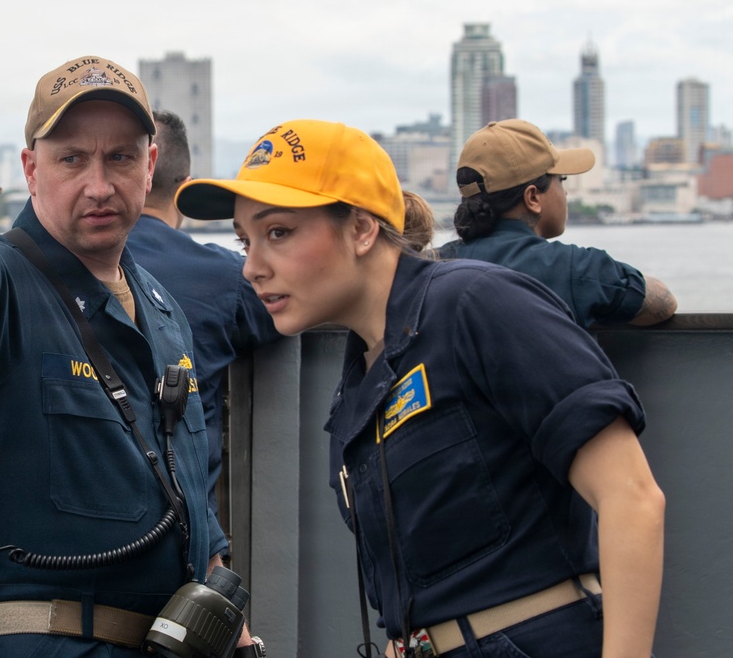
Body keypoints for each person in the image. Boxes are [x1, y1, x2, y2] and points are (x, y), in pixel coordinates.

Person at [175, 119, 666, 657]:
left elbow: (632, 498)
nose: (251, 268)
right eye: (245, 241)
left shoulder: (475, 303)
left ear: (362, 229)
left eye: (278, 233)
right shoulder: (361, 378)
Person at [0, 55, 258, 657]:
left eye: (120, 157)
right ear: (31, 169)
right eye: (72, 159)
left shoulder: (163, 311)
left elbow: (188, 484)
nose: (99, 184)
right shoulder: (4, 289)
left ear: (149, 168)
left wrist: (233, 623)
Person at [126, 110, 281, 520]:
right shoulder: (228, 278)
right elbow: (286, 317)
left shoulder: (61, 266)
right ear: (185, 189)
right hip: (187, 527)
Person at [438, 119, 677, 328]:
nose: (566, 193)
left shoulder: (428, 265)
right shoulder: (575, 268)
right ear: (532, 197)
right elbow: (663, 304)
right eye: (561, 180)